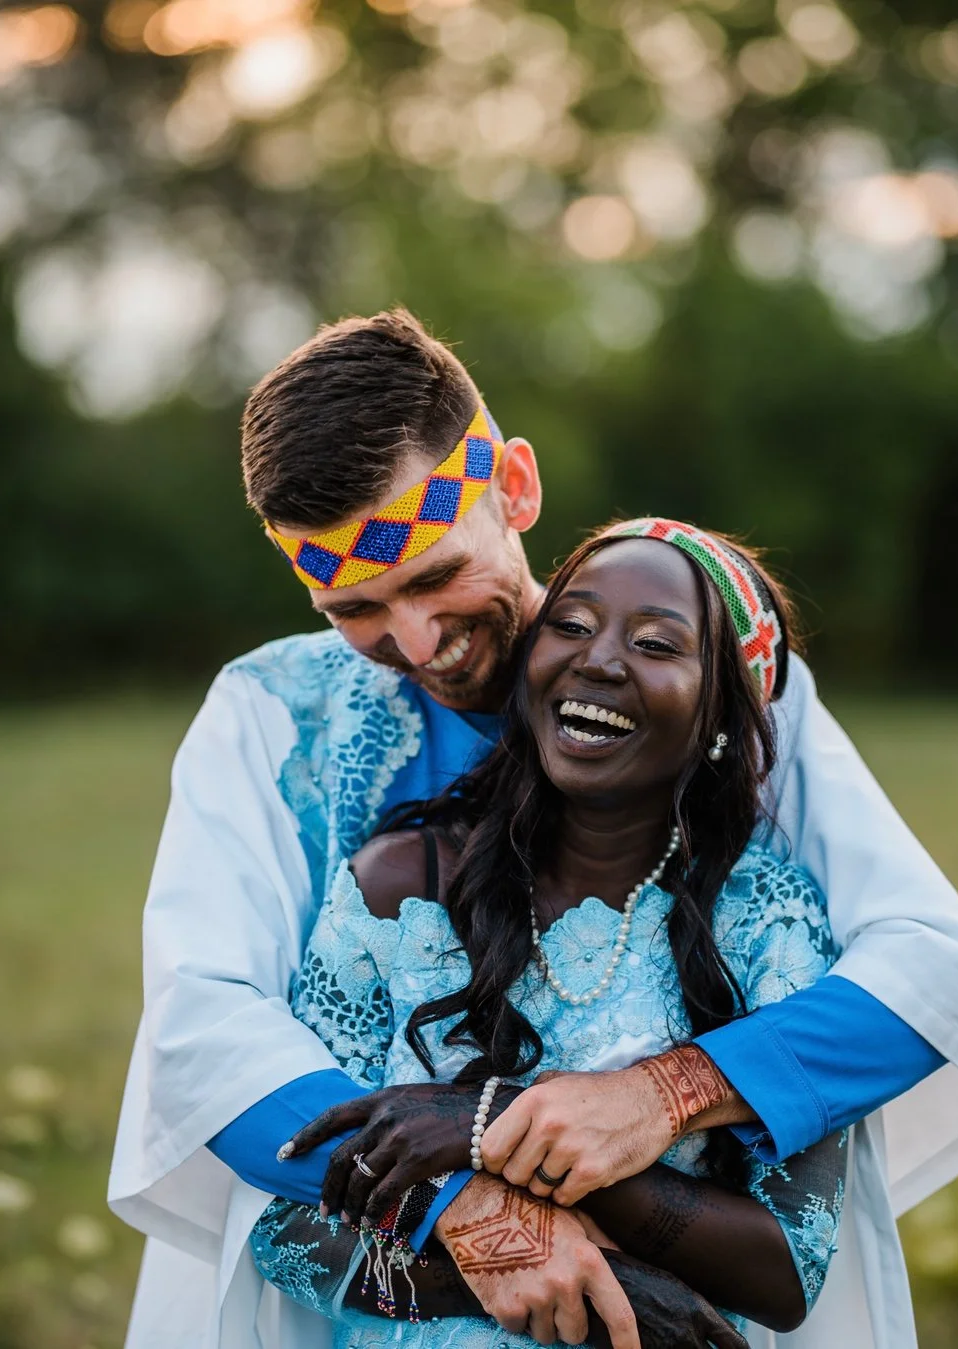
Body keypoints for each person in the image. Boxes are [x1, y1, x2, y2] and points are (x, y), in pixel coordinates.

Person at [108, 310, 958, 1349]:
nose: (414, 640)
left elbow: (933, 965)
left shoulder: (729, 681)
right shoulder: (270, 714)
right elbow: (201, 1022)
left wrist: (655, 1099)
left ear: (517, 488)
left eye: (436, 573)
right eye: (351, 606)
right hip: (364, 1294)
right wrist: (471, 1211)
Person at [248, 521, 857, 1349]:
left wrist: (489, 1122)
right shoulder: (400, 886)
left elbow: (789, 1270)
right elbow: (287, 1231)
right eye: (569, 626)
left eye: (655, 643)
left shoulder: (764, 918)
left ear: (720, 709)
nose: (599, 659)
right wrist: (588, 1279)